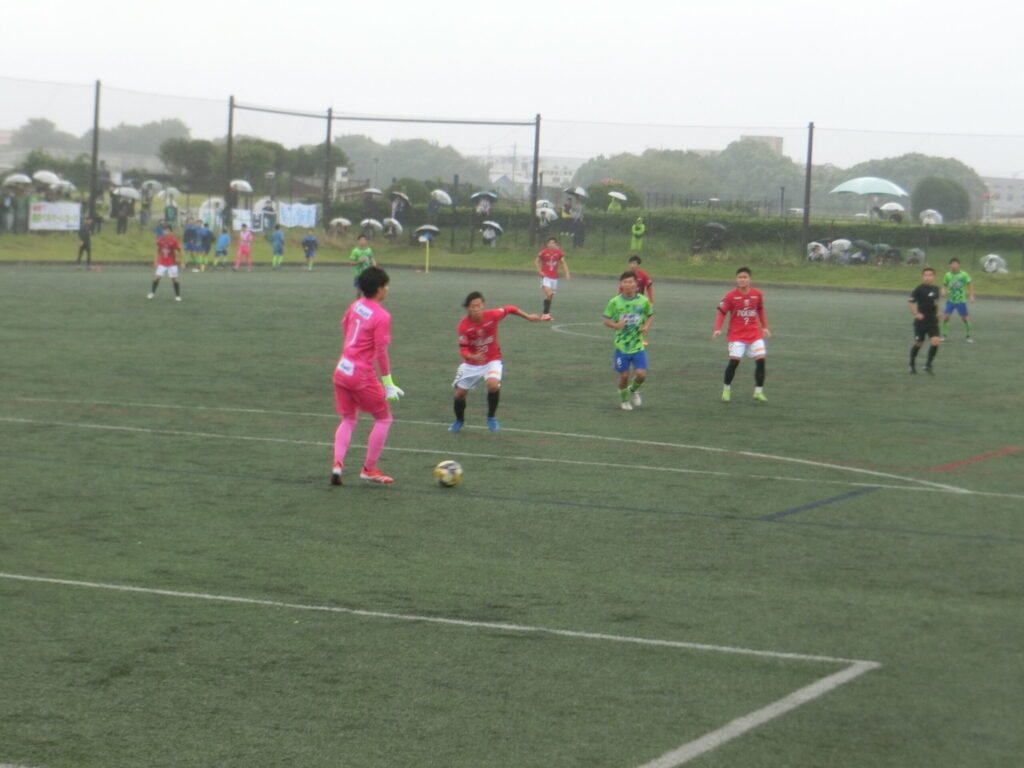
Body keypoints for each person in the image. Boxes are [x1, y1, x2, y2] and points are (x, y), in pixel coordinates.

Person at [330, 266, 404, 485]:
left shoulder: (356, 305)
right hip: (361, 373)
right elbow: (381, 351)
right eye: (386, 286)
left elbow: (344, 326)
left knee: (348, 419)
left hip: (342, 369)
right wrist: (388, 382)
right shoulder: (382, 316)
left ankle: (337, 466)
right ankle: (369, 469)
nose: (387, 289)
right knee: (384, 418)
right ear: (379, 289)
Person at [449, 292, 542, 433]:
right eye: (473, 306)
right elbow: (463, 350)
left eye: (479, 305)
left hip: (492, 360)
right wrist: (472, 357)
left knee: (493, 385)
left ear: (483, 305)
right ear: (468, 308)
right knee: (459, 394)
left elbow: (510, 308)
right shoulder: (463, 326)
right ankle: (459, 420)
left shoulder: (492, 315)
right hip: (471, 364)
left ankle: (491, 417)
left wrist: (528, 316)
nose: (477, 309)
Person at [712, 267, 771, 402]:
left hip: (754, 334)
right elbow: (721, 312)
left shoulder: (757, 294)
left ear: (750, 279)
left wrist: (765, 327)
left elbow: (760, 310)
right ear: (736, 279)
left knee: (761, 361)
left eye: (745, 277)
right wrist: (717, 328)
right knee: (734, 363)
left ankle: (758, 392)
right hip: (736, 336)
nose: (742, 279)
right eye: (740, 277)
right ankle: (726, 389)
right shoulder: (730, 296)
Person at [603, 272, 653, 411]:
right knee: (624, 376)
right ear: (621, 285)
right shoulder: (614, 302)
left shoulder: (643, 301)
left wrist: (646, 326)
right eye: (625, 282)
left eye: (630, 282)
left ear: (636, 284)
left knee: (641, 374)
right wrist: (615, 325)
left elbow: (649, 316)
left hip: (637, 345)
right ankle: (624, 401)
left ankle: (633, 390)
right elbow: (606, 320)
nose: (628, 285)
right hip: (621, 346)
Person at [908, 267, 942, 374]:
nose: (928, 277)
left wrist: (938, 313)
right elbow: (910, 303)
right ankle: (911, 364)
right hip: (921, 322)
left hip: (932, 321)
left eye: (930, 275)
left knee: (936, 342)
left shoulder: (936, 289)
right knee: (919, 343)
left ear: (934, 277)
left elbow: (936, 303)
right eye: (925, 275)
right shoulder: (919, 289)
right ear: (922, 277)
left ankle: (928, 364)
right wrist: (916, 313)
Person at [534, 236, 570, 321]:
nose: (551, 244)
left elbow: (563, 262)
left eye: (553, 243)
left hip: (554, 278)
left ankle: (545, 314)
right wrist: (539, 271)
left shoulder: (559, 252)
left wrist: (567, 273)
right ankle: (546, 314)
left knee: (550, 296)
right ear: (547, 244)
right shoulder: (543, 252)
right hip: (545, 277)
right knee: (549, 293)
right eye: (549, 243)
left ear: (556, 244)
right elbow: (536, 262)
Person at [941, 258, 975, 342]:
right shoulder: (947, 275)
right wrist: (943, 291)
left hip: (961, 301)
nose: (954, 265)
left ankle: (968, 336)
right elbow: (944, 285)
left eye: (955, 263)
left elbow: (970, 284)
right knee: (946, 317)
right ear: (950, 265)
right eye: (952, 264)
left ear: (958, 265)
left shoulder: (964, 274)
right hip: (950, 300)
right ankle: (944, 335)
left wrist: (971, 295)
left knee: (965, 318)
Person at [148, 226, 183, 302]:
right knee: (157, 278)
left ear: (170, 232)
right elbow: (157, 250)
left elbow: (179, 250)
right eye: (165, 231)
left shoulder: (174, 241)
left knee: (174, 279)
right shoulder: (160, 240)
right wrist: (155, 261)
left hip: (172, 263)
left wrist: (181, 261)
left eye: (167, 231)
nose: (166, 232)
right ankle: (152, 293)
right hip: (162, 263)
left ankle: (177, 296)